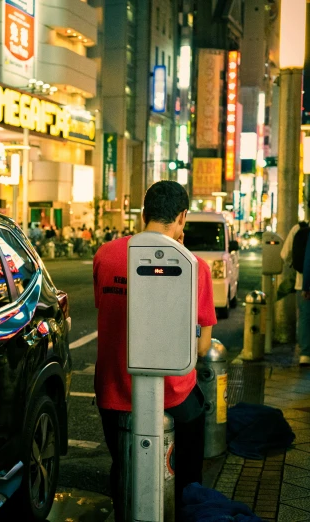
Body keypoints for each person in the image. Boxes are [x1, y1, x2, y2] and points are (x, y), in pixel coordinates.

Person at [93, 180, 216, 521]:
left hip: (112, 391)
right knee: (185, 474)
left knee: (125, 465)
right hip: (173, 397)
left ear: (144, 213)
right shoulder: (194, 266)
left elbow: (106, 309)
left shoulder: (105, 255)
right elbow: (202, 347)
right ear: (182, 217)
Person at [291, 223, 310, 366]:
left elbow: (307, 260)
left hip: (303, 283)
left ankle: (305, 354)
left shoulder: (299, 230)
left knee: (304, 317)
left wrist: (305, 286)